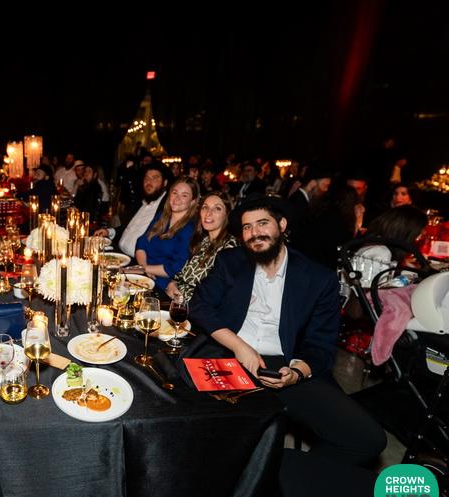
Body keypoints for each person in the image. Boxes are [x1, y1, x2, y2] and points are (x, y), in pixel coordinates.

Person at [189, 194, 386, 466]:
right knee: (207, 432)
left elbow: (321, 343)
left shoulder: (318, 278)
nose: (254, 233)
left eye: (263, 223)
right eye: (247, 227)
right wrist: (239, 346)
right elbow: (199, 306)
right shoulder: (231, 261)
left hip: (287, 364)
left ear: (281, 225)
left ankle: (280, 473)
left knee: (367, 439)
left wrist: (297, 373)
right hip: (229, 354)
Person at [166, 192, 238, 303]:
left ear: (226, 215)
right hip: (176, 303)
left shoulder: (230, 247)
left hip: (195, 309)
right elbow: (180, 276)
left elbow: (215, 294)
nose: (208, 213)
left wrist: (182, 299)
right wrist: (172, 284)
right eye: (205, 207)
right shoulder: (203, 240)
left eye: (217, 208)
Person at [134, 179, 199, 292]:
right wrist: (143, 267)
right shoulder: (161, 216)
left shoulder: (189, 229)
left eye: (184, 195)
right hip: (143, 275)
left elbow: (174, 267)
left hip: (162, 285)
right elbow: (141, 242)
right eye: (175, 193)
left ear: (192, 201)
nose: (177, 198)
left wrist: (145, 269)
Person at [94, 162, 170, 257]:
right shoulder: (140, 203)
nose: (149, 182)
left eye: (154, 178)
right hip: (118, 253)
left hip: (137, 262)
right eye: (146, 178)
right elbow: (127, 228)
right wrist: (108, 232)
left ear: (165, 183)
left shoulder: (167, 208)